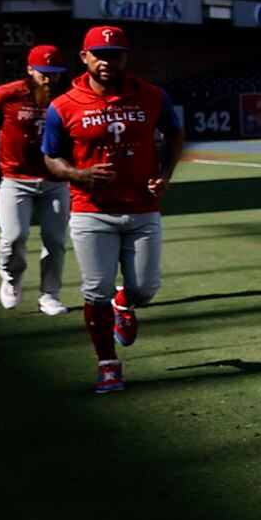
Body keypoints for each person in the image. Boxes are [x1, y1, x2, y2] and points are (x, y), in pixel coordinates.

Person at [38, 26, 180, 395]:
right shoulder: (63, 105)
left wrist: (164, 175)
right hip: (91, 211)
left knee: (146, 289)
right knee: (95, 290)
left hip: (143, 209)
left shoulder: (152, 96)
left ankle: (126, 302)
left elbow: (175, 134)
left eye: (114, 53)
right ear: (84, 57)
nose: (107, 61)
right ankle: (108, 365)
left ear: (125, 57)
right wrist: (77, 174)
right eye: (99, 54)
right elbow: (51, 158)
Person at [0, 45, 77, 313]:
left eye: (54, 73)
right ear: (30, 69)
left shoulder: (68, 95)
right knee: (14, 236)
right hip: (15, 178)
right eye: (43, 73)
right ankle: (11, 278)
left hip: (56, 179)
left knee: (55, 240)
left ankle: (49, 294)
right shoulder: (10, 92)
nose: (49, 78)